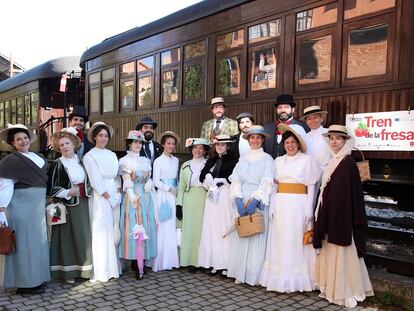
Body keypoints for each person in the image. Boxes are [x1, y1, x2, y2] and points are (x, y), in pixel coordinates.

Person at [313, 125, 374, 308]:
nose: (333, 141)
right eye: (331, 138)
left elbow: (347, 195)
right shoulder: (335, 160)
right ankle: (331, 286)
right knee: (330, 250)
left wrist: (337, 215)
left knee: (342, 251)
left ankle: (344, 290)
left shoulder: (347, 163)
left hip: (341, 217)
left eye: (338, 138)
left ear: (345, 141)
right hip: (331, 214)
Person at [260, 124, 320, 293]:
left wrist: (309, 210)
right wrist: (272, 205)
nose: (290, 145)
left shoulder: (307, 160)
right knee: (281, 239)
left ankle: (297, 278)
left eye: (293, 142)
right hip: (281, 204)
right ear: (284, 145)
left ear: (298, 144)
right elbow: (274, 186)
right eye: (287, 143)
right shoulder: (278, 161)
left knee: (295, 238)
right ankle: (280, 277)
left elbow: (311, 186)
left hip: (299, 204)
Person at [0, 124, 50, 294]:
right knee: (25, 245)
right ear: (13, 143)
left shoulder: (38, 157)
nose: (23, 141)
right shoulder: (10, 161)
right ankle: (25, 284)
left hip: (36, 208)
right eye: (18, 139)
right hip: (21, 208)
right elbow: (5, 186)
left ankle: (36, 278)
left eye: (25, 138)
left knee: (38, 244)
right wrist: (1, 210)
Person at [227, 125, 274, 285]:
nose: (255, 140)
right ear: (248, 140)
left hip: (257, 199)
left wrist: (255, 200)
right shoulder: (243, 158)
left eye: (258, 138)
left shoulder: (268, 159)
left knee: (255, 233)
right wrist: (238, 199)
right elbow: (236, 179)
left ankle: (254, 275)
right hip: (243, 195)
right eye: (252, 137)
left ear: (262, 140)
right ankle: (240, 273)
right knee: (242, 233)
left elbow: (267, 181)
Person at [47, 127, 93, 283]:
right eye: (61, 145)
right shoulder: (58, 164)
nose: (65, 147)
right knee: (67, 238)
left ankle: (83, 269)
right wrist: (68, 192)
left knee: (83, 237)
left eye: (67, 143)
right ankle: (68, 272)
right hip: (67, 205)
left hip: (83, 202)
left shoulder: (80, 161)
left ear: (74, 144)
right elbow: (51, 188)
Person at [83, 121, 121, 282]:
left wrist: (118, 193)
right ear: (94, 137)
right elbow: (95, 181)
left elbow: (117, 175)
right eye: (100, 135)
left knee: (114, 230)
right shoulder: (89, 156)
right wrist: (108, 197)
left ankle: (114, 267)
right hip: (101, 197)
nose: (103, 138)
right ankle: (102, 270)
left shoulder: (112, 155)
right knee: (101, 231)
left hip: (114, 192)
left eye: (106, 136)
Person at [118, 130, 156, 280]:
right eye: (135, 142)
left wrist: (149, 182)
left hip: (146, 196)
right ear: (129, 143)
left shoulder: (145, 160)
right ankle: (135, 261)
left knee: (146, 224)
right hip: (132, 195)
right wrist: (131, 194)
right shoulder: (124, 161)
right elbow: (126, 179)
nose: (138, 144)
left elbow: (149, 176)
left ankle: (143, 259)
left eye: (140, 142)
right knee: (134, 225)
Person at [198, 135, 238, 275]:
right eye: (217, 145)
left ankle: (226, 263)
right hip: (212, 197)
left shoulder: (234, 161)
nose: (220, 147)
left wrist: (226, 181)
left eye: (223, 144)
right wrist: (206, 177)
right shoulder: (212, 160)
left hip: (225, 195)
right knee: (212, 227)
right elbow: (202, 175)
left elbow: (236, 178)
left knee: (223, 226)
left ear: (228, 146)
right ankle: (215, 262)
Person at [176, 138, 210, 273]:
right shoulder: (185, 165)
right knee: (189, 230)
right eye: (195, 148)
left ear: (205, 150)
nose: (198, 150)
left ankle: (201, 261)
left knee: (202, 231)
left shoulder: (209, 164)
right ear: (191, 149)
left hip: (204, 198)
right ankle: (189, 260)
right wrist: (179, 204)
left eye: (201, 148)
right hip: (189, 198)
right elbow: (181, 187)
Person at [150, 131, 180, 272]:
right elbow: (155, 181)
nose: (171, 146)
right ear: (163, 144)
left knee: (172, 225)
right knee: (163, 225)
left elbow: (176, 178)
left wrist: (177, 188)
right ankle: (160, 260)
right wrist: (168, 188)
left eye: (173, 144)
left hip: (174, 194)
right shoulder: (158, 161)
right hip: (163, 194)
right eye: (168, 143)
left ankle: (171, 259)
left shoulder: (176, 160)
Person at [300, 105, 331, 206]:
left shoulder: (329, 133)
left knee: (326, 203)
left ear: (321, 118)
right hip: (310, 176)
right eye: (309, 118)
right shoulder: (304, 137)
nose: (312, 120)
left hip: (328, 174)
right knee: (310, 204)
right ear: (306, 121)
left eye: (315, 117)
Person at [264, 94, 310, 158]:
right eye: (280, 107)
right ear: (277, 110)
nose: (283, 110)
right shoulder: (267, 128)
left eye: (286, 107)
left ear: (293, 109)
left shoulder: (303, 127)